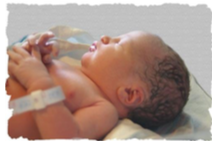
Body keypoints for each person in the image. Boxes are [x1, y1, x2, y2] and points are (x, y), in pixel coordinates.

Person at [6, 30, 190, 140]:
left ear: (130, 93)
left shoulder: (103, 110)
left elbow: (65, 137)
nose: (105, 37)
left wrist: (37, 80)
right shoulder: (76, 69)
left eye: (118, 43)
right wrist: (37, 51)